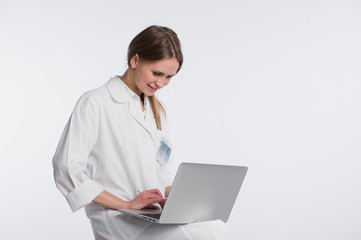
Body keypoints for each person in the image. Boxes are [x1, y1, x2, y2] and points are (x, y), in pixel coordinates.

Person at [52, 25, 230, 240]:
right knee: (208, 235)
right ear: (135, 61)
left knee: (216, 227)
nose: (161, 83)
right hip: (118, 216)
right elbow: (67, 168)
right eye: (157, 73)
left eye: (169, 77)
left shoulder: (158, 110)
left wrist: (177, 197)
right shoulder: (95, 103)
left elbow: (161, 168)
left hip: (151, 213)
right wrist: (126, 204)